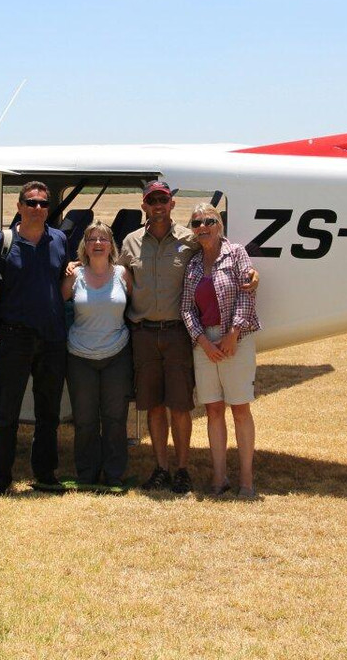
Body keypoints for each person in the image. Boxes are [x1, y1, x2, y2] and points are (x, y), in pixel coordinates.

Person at [119, 180, 258, 494]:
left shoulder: (191, 241)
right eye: (152, 200)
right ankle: (161, 468)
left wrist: (253, 277)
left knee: (181, 406)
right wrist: (77, 265)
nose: (157, 205)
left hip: (180, 335)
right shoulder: (130, 242)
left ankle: (182, 470)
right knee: (154, 406)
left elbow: (232, 267)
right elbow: (118, 274)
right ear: (144, 205)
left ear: (171, 206)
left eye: (163, 200)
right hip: (146, 333)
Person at [0, 181, 69, 496]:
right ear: (19, 207)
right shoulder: (2, 242)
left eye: (43, 204)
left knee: (48, 413)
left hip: (52, 339)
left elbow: (59, 286)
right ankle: (0, 480)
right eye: (31, 203)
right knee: (7, 413)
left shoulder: (59, 240)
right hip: (15, 339)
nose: (38, 209)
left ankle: (45, 475)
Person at [181, 203, 262, 498]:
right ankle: (219, 478)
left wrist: (234, 333)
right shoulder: (192, 264)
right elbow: (187, 308)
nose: (203, 227)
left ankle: (247, 481)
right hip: (204, 342)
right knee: (213, 409)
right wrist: (202, 341)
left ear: (220, 225)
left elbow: (247, 292)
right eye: (197, 222)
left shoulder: (237, 253)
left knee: (240, 408)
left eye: (209, 221)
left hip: (235, 339)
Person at [61, 221, 133, 486]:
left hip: (116, 354)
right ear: (85, 246)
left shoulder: (123, 274)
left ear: (111, 245)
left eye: (103, 239)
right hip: (80, 356)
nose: (98, 244)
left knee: (115, 419)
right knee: (85, 420)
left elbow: (134, 308)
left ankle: (114, 474)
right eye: (92, 239)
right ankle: (87, 474)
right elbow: (57, 305)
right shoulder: (74, 275)